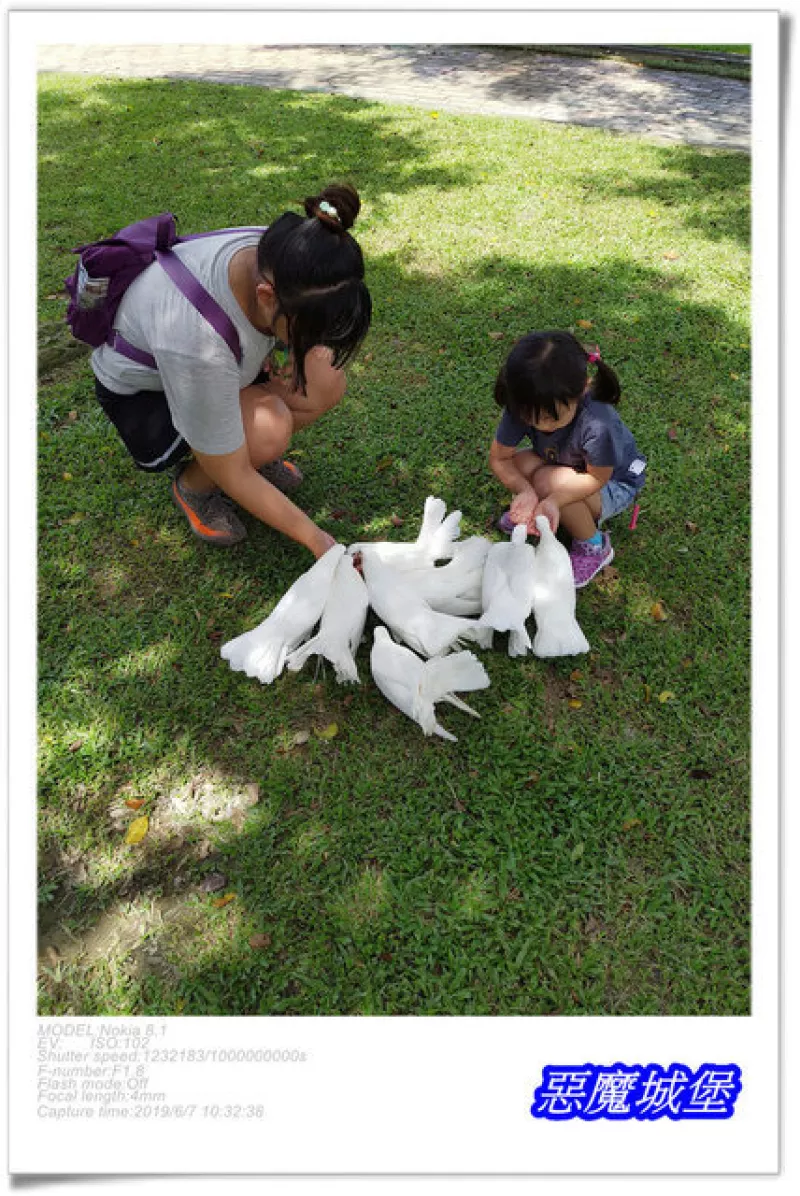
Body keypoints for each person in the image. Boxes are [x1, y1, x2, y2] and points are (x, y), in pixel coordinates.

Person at [90, 183, 372, 558]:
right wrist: (319, 541)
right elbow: (234, 468)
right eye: (311, 328)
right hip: (150, 398)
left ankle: (248, 453)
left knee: (325, 378)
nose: (319, 340)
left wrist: (287, 349)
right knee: (268, 428)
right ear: (267, 297)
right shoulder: (195, 342)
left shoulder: (284, 251)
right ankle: (196, 487)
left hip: (223, 361)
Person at [489, 330, 646, 587]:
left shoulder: (598, 423)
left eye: (552, 418)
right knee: (521, 466)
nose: (540, 425)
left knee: (546, 482)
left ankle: (593, 546)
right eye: (531, 417)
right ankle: (537, 505)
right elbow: (500, 458)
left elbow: (597, 478)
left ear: (582, 389)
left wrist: (553, 499)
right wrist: (525, 490)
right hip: (568, 465)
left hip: (614, 483)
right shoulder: (525, 400)